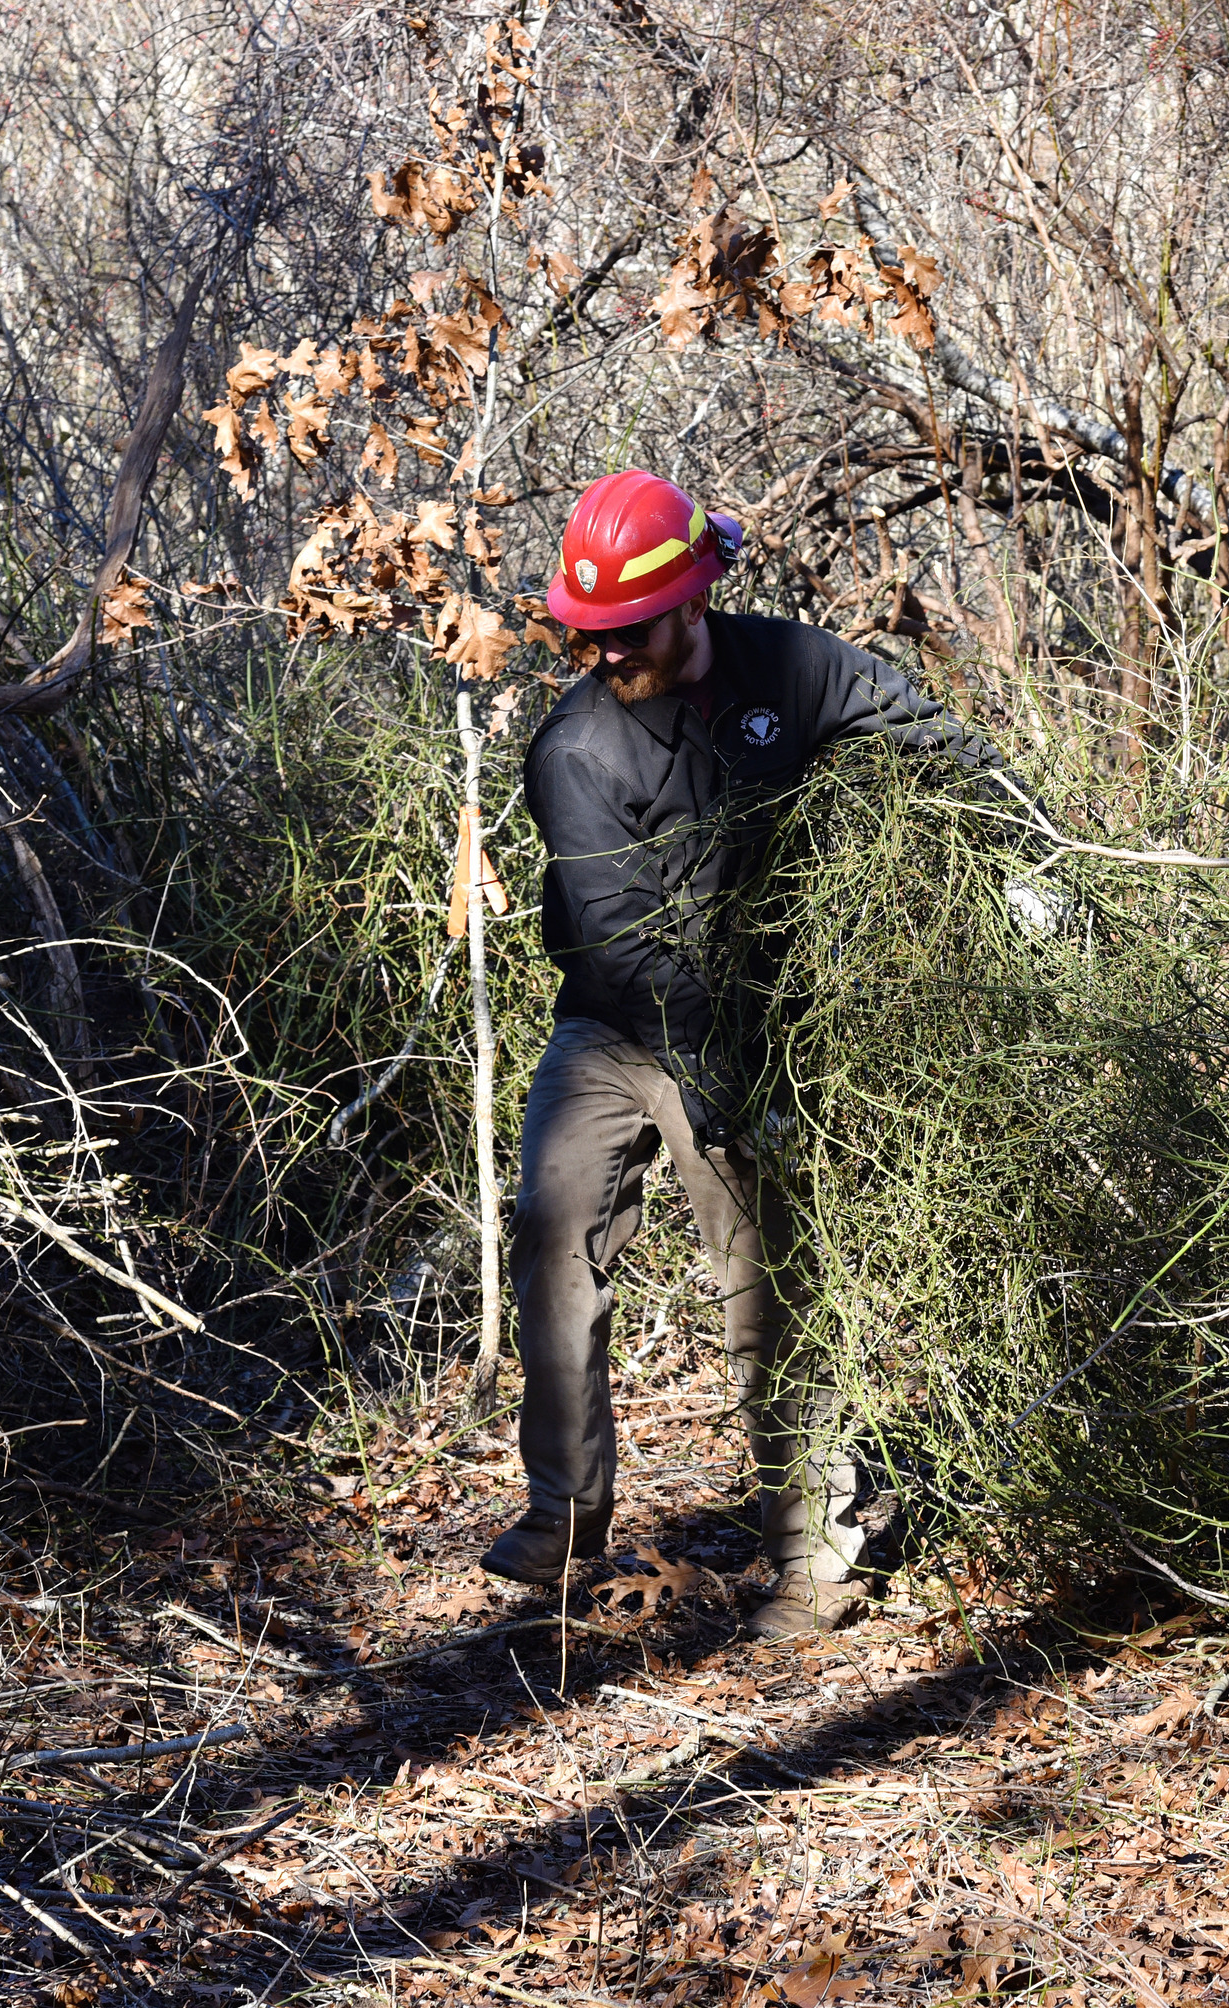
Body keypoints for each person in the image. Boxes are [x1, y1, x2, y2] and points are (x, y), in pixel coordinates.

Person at [482, 467, 1026, 1637]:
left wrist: (1032, 857)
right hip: (619, 1023)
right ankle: (562, 1514)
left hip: (758, 1019)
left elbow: (929, 735)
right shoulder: (574, 751)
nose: (609, 658)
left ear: (694, 605)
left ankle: (813, 1557)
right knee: (551, 1228)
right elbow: (631, 949)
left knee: (769, 1282)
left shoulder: (785, 668)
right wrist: (730, 1090)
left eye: (629, 633)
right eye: (591, 637)